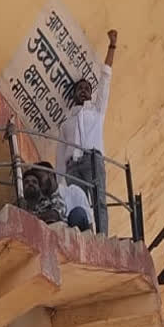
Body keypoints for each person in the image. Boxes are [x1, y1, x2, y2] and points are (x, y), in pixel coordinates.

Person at [56, 29, 117, 227]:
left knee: (98, 200)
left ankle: (102, 235)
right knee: (77, 200)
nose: (83, 91)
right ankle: (82, 229)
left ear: (91, 94)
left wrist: (112, 46)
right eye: (79, 89)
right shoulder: (66, 121)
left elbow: (105, 80)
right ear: (74, 95)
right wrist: (59, 180)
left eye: (87, 89)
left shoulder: (97, 111)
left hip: (92, 160)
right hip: (72, 166)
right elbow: (60, 152)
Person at [36, 161, 94, 232]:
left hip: (78, 236)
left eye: (40, 177)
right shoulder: (40, 202)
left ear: (50, 175)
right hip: (56, 236)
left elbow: (88, 223)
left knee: (77, 213)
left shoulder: (73, 192)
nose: (38, 182)